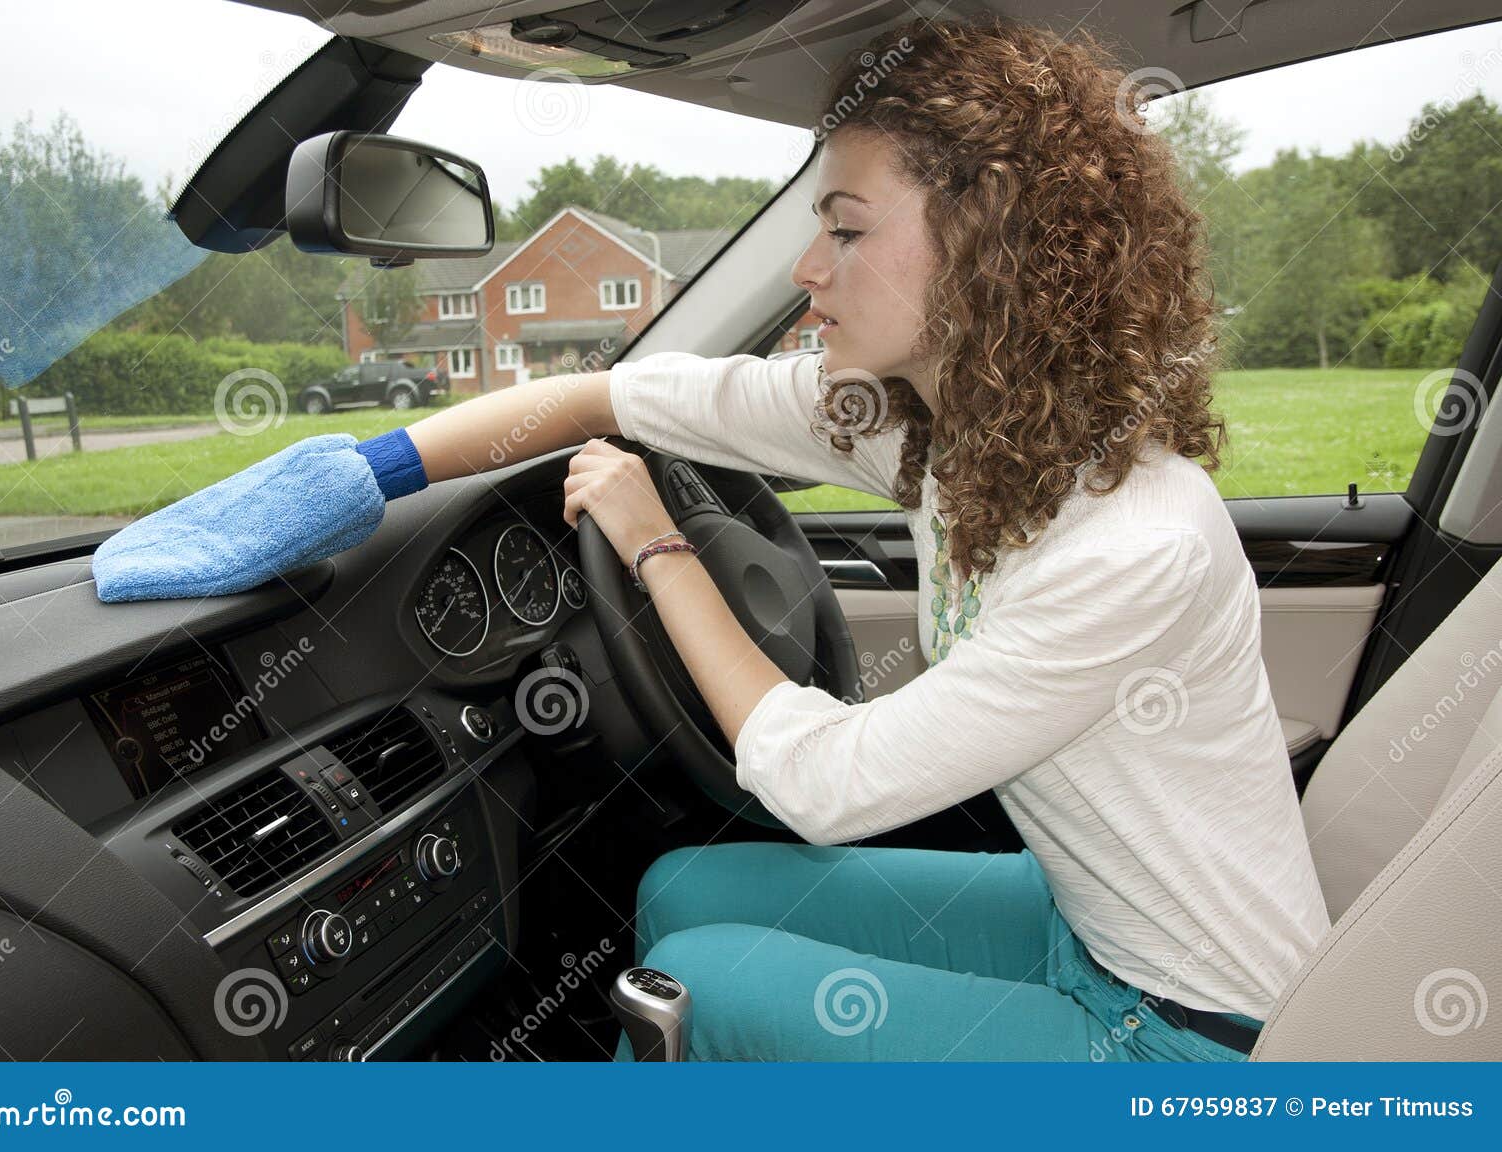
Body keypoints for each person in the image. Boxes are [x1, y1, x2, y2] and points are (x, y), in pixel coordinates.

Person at [91, 18, 1330, 1060]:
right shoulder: (932, 428)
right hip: (1081, 923)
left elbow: (824, 783)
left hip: (1192, 1038)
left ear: (988, 248)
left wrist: (656, 546)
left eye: (845, 228)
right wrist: (354, 474)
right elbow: (606, 400)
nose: (807, 265)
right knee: (679, 891)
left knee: (704, 986)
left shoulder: (1129, 545)